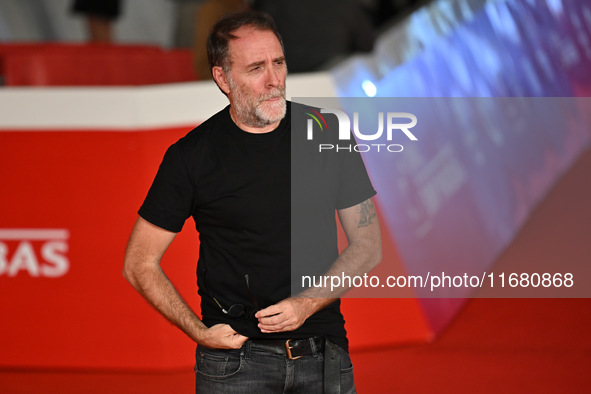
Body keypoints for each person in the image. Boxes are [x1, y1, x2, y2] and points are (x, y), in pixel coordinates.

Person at [123, 10, 381, 393]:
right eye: (256, 68)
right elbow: (138, 263)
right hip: (234, 366)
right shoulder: (191, 156)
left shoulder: (329, 134)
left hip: (322, 354)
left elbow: (368, 245)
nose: (274, 80)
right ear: (223, 79)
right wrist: (198, 331)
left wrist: (306, 304)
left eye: (278, 63)